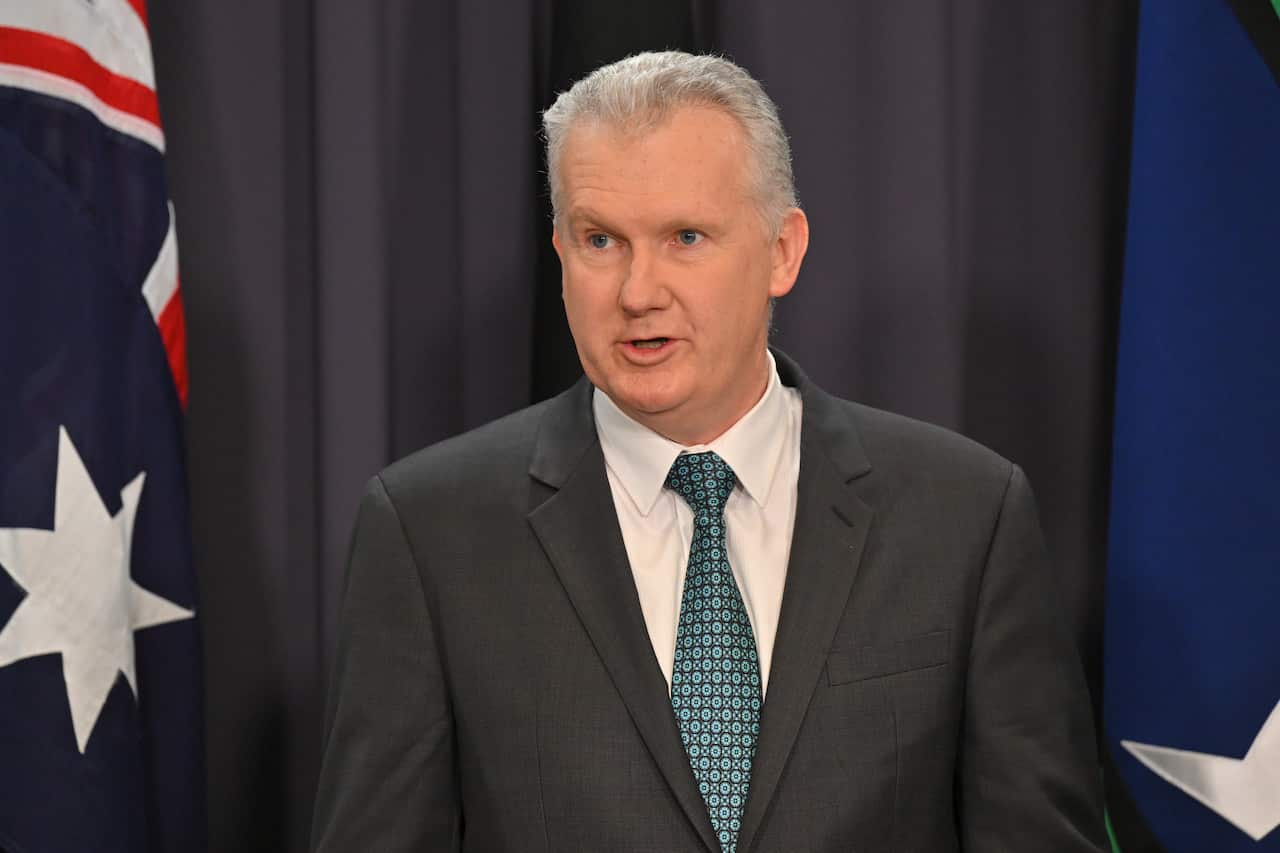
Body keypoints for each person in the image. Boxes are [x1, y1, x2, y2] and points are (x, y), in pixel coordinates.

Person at [311, 51, 1107, 852]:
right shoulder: (429, 532)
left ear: (782, 252)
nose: (637, 291)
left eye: (685, 236)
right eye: (600, 240)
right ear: (560, 256)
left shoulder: (966, 516)